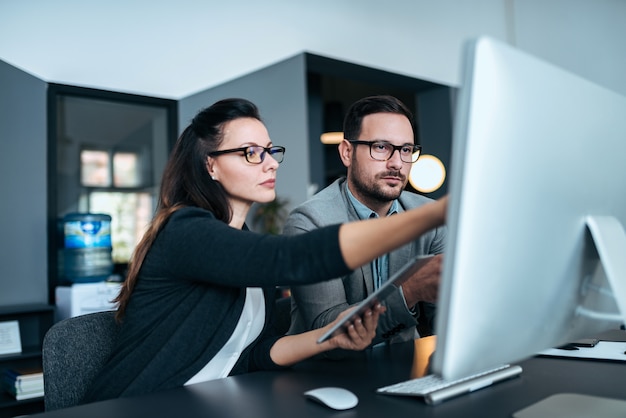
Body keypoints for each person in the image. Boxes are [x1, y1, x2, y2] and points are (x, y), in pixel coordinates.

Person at [81, 98, 447, 404]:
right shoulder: (186, 231)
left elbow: (246, 357)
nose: (271, 161)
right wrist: (436, 212)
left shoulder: (241, 239)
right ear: (211, 164)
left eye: (270, 150)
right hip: (136, 405)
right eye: (251, 153)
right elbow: (294, 258)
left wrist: (330, 337)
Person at [285, 95, 447, 346]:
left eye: (405, 150)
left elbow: (446, 321)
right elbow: (328, 331)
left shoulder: (430, 216)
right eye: (381, 147)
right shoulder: (310, 222)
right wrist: (409, 291)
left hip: (405, 366)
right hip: (327, 374)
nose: (396, 163)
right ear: (347, 152)